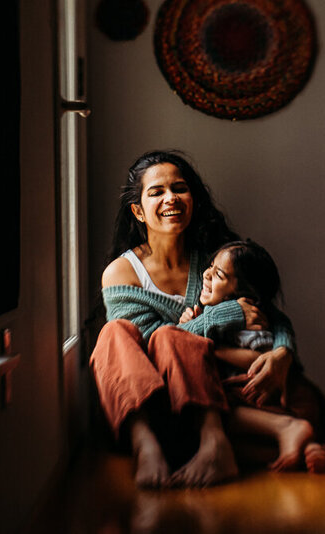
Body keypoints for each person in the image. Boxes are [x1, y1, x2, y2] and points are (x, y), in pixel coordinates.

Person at [90, 150, 298, 488]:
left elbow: (270, 314)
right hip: (153, 399)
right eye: (156, 192)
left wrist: (283, 353)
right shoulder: (121, 272)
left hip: (211, 393)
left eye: (180, 188)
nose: (171, 198)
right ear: (138, 211)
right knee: (113, 332)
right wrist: (228, 313)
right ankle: (145, 445)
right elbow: (157, 342)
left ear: (193, 198)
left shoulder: (218, 259)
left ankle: (214, 442)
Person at [180, 240, 325, 472]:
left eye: (219, 274)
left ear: (246, 294)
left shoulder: (250, 318)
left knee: (217, 414)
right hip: (262, 406)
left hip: (270, 396)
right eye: (210, 266)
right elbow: (176, 336)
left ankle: (299, 435)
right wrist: (192, 323)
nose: (207, 274)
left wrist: (212, 348)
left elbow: (259, 358)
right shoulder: (212, 312)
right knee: (226, 439)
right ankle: (307, 449)